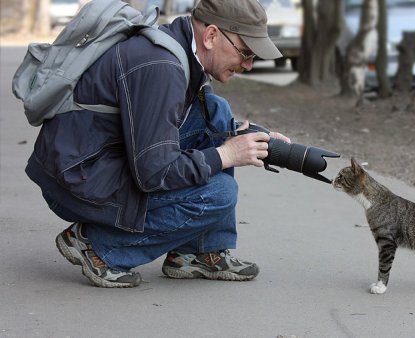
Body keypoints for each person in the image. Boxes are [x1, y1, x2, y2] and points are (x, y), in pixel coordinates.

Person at [25, 0, 290, 288]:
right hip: (79, 179)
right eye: (246, 52)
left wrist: (246, 139)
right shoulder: (161, 66)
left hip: (94, 156)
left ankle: (198, 253)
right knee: (217, 194)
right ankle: (98, 246)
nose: (249, 65)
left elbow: (174, 126)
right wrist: (226, 154)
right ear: (211, 36)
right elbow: (154, 172)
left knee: (216, 111)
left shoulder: (178, 48)